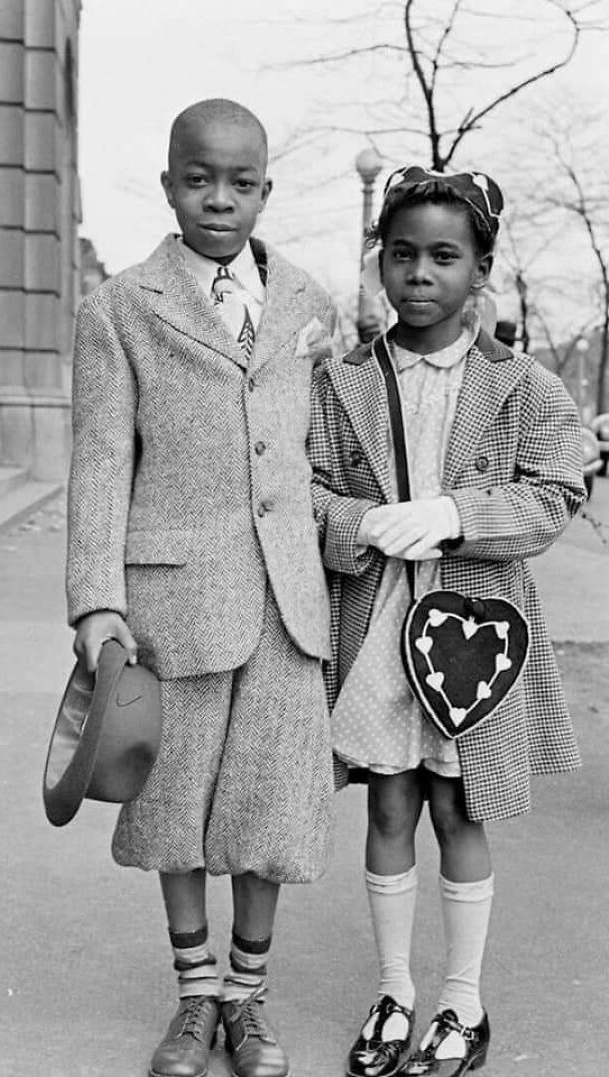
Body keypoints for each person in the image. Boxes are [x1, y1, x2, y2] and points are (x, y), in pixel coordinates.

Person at [67, 98, 336, 1077]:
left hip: (287, 604)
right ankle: (192, 999)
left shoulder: (309, 303)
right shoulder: (121, 309)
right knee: (174, 806)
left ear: (265, 188)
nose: (218, 198)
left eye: (241, 181)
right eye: (198, 178)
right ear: (170, 179)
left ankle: (246, 999)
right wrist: (98, 604)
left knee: (268, 809)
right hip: (172, 603)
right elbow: (100, 461)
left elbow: (323, 449)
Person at [309, 166, 585, 1077]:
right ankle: (394, 992)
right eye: (402, 255)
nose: (420, 274)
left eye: (444, 256)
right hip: (383, 620)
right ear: (378, 266)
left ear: (480, 270)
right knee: (389, 799)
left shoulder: (524, 384)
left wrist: (462, 513)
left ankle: (464, 1002)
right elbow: (306, 492)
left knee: (461, 804)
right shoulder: (344, 379)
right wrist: (356, 523)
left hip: (476, 629)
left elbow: (557, 490)